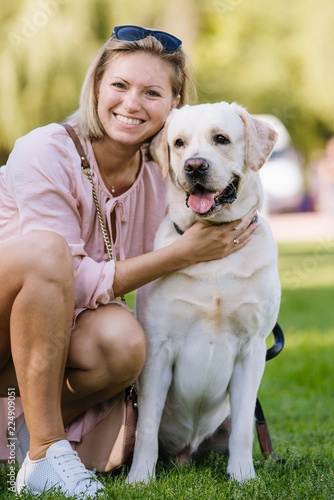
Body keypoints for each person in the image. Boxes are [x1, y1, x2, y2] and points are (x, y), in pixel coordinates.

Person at [0, 25, 257, 498]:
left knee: (123, 341)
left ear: (175, 105)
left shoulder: (168, 174)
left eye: (152, 92)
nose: (132, 103)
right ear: (96, 87)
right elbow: (66, 280)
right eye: (119, 85)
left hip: (52, 340)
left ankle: (14, 431)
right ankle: (44, 450)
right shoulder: (46, 150)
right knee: (46, 251)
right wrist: (176, 255)